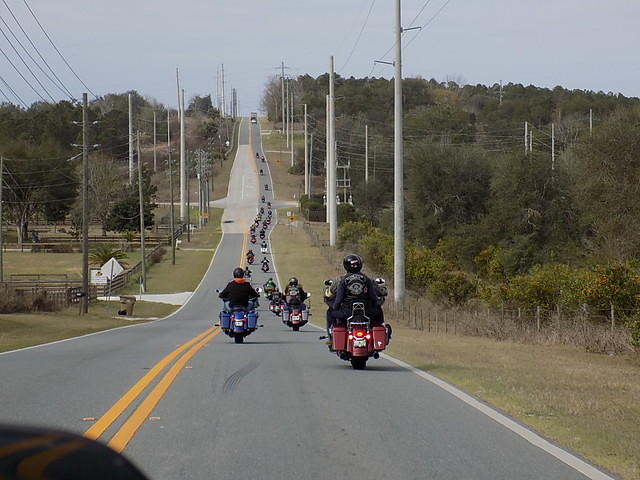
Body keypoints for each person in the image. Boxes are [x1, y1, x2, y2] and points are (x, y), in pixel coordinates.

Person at [329, 254, 384, 329]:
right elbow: (373, 297)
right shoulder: (367, 279)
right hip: (367, 312)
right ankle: (380, 329)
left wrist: (335, 307)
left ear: (345, 266)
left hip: (347, 312)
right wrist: (377, 303)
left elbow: (338, 300)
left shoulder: (342, 280)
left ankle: (331, 333)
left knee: (330, 312)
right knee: (378, 311)